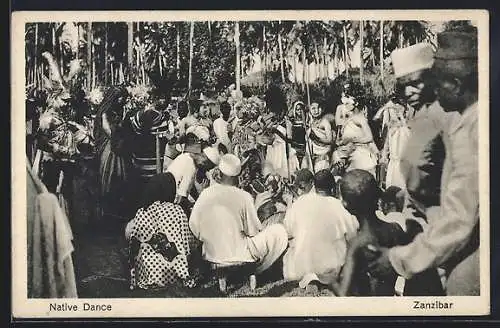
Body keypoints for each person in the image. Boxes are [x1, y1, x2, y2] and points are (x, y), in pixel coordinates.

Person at [370, 29, 480, 296]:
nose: (409, 91)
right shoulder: (423, 113)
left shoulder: (451, 116)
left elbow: (461, 193)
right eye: (403, 85)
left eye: (416, 82)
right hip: (425, 222)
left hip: (445, 227)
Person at [332, 170, 444, 296]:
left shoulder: (356, 244)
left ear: (346, 205)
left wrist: (332, 282)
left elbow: (343, 294)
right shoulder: (395, 229)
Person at [189, 154, 288, 275]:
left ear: (219, 174)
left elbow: (193, 225)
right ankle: (259, 270)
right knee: (279, 231)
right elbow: (253, 231)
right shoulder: (244, 196)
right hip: (239, 253)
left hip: (212, 254)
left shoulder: (206, 193)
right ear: (238, 176)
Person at [282, 169, 359, 288]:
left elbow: (288, 230)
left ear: (314, 186)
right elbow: (352, 234)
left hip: (298, 267)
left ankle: (310, 276)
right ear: (333, 188)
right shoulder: (338, 205)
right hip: (330, 269)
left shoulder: (300, 201)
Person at [125, 173, 200, 290]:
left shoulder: (142, 211)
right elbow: (187, 242)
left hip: (147, 272)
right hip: (174, 273)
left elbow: (134, 243)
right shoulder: (177, 211)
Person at [93, 86, 133, 219]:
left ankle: (117, 206)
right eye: (121, 97)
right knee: (110, 173)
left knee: (121, 175)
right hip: (110, 146)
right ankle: (107, 208)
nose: (123, 100)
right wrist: (119, 129)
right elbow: (107, 130)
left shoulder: (119, 110)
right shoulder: (105, 111)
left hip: (119, 145)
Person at [164, 146, 221, 212]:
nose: (207, 170)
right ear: (204, 160)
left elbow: (190, 188)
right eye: (208, 167)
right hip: (169, 203)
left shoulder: (187, 156)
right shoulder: (191, 166)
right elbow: (181, 198)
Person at [334, 101, 379, 177]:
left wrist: (352, 140)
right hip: (348, 151)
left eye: (347, 103)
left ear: (356, 103)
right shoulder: (347, 119)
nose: (345, 105)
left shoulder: (360, 118)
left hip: (360, 152)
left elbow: (369, 137)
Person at [301, 99, 334, 173]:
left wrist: (317, 138)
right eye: (313, 108)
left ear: (322, 109)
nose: (316, 111)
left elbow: (330, 140)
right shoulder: (310, 123)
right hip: (311, 156)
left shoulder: (325, 122)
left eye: (318, 108)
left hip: (321, 155)